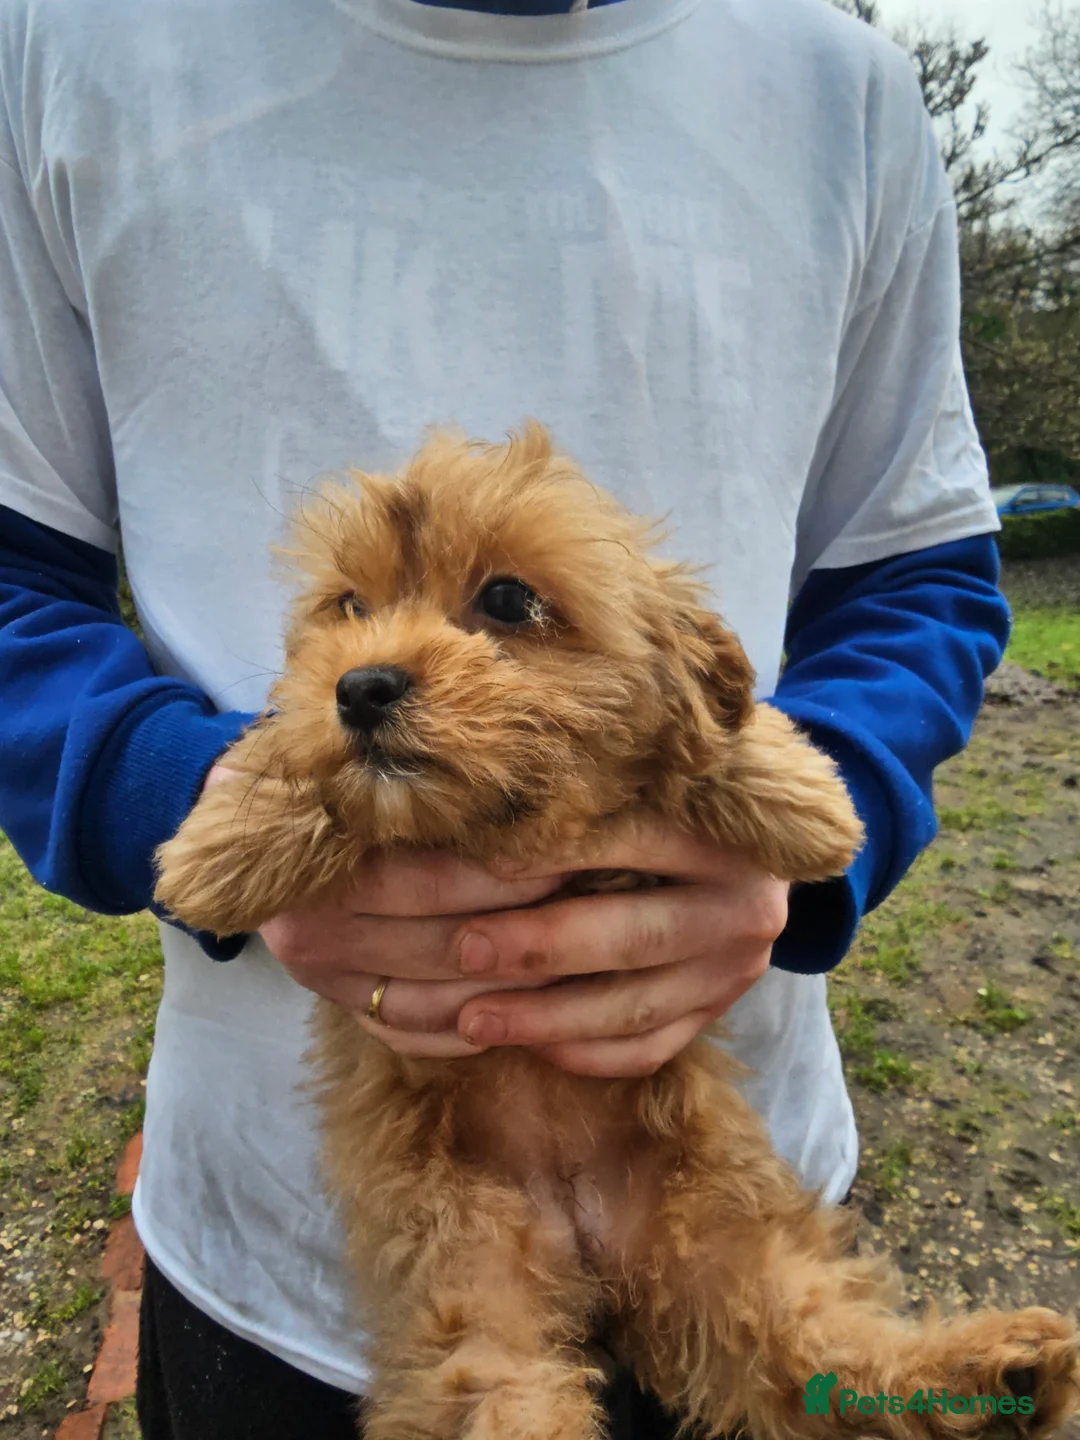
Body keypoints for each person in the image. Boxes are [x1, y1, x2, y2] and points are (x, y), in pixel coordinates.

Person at [0, 0, 1010, 1433]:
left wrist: (810, 823)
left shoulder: (840, 88)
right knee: (475, 1352)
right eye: (347, 614)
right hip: (276, 1252)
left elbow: (920, 573)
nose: (386, 656)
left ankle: (877, 1385)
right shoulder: (63, 44)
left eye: (502, 607)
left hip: (727, 1101)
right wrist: (195, 789)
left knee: (782, 1330)